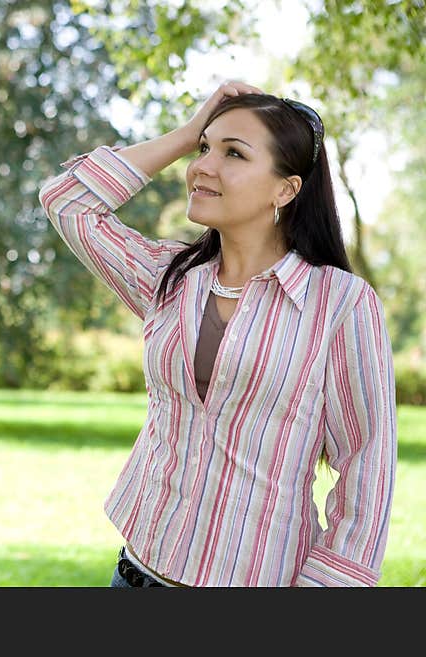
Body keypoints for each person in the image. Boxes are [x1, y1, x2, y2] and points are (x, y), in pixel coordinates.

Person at [38, 80, 397, 587]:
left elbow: (366, 467)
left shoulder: (340, 303)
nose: (203, 166)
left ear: (285, 188)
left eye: (233, 153)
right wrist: (186, 133)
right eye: (205, 149)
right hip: (136, 575)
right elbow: (67, 200)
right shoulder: (170, 278)